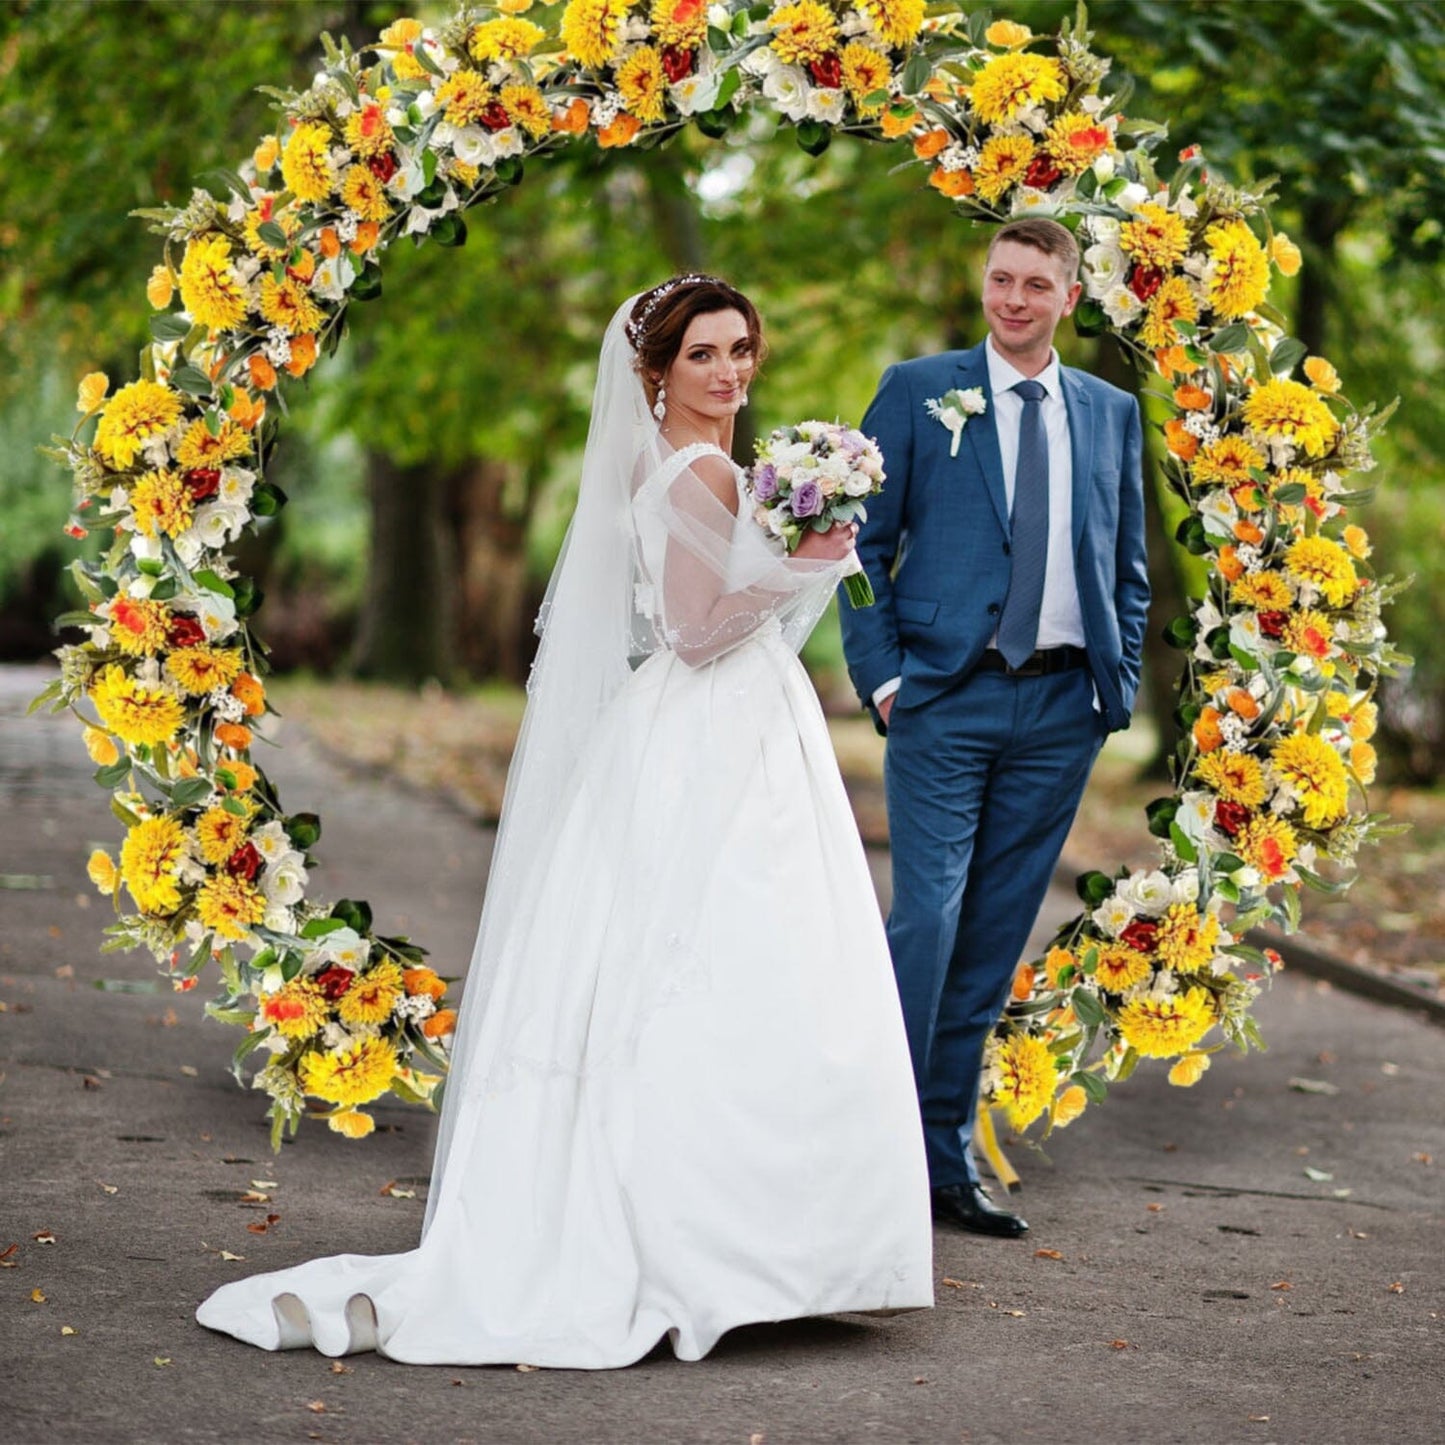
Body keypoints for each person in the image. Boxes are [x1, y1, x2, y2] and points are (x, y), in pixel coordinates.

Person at [196, 276, 933, 1366]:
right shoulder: (697, 467)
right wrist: (801, 567)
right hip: (708, 722)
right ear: (655, 373)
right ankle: (723, 1250)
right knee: (716, 956)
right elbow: (691, 631)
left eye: (739, 350)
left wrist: (792, 556)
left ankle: (760, 1250)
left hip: (722, 726)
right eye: (701, 356)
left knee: (727, 959)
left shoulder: (681, 462)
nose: (729, 372)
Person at [839, 218, 1150, 1239]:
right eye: (999, 279)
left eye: (1033, 284)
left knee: (987, 939)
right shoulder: (919, 389)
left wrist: (1115, 687)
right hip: (942, 696)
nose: (1011, 299)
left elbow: (1127, 565)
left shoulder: (1109, 412)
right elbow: (853, 545)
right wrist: (883, 679)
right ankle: (862, 1142)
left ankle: (943, 1155)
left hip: (1061, 710)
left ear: (1069, 296)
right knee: (924, 916)